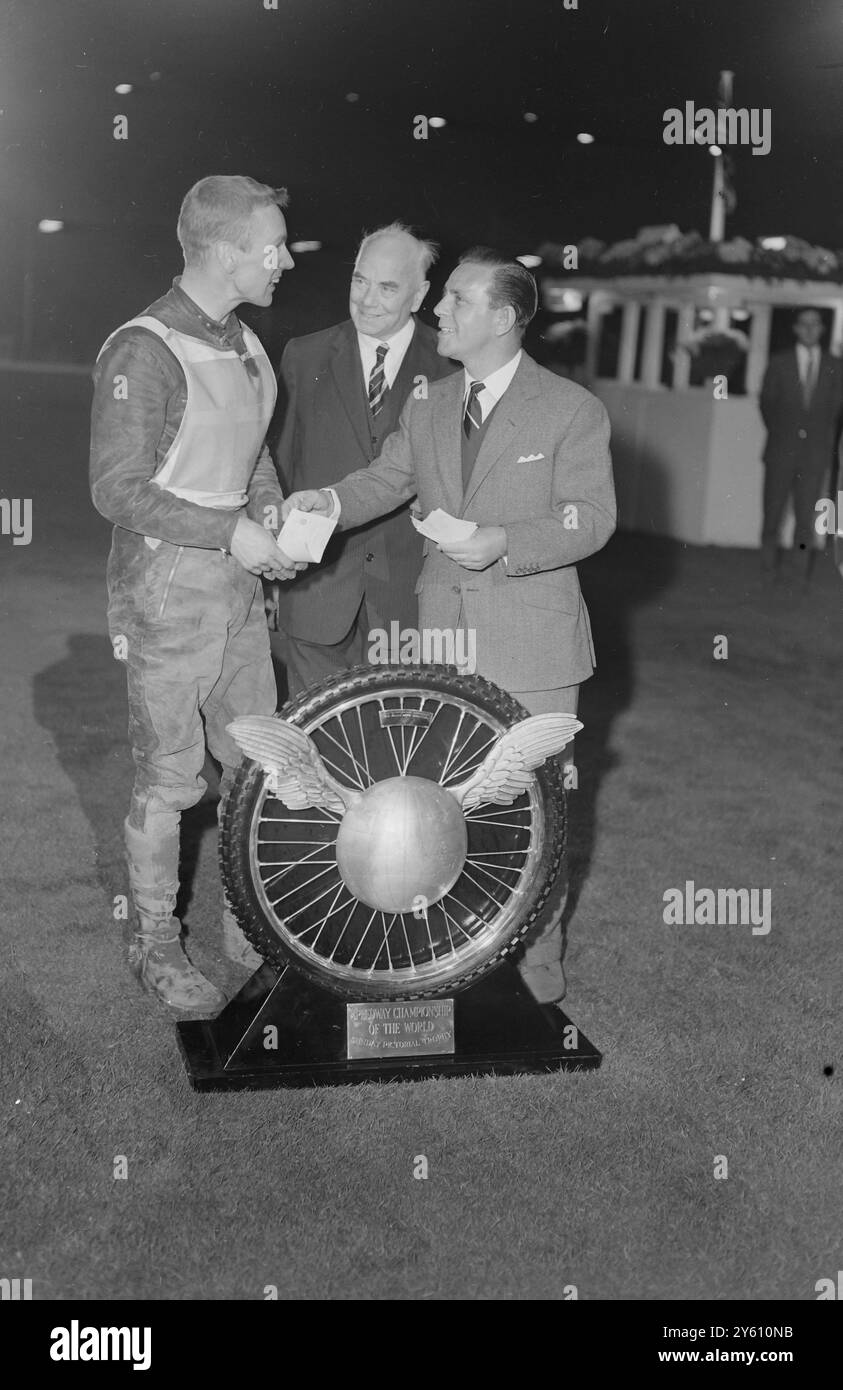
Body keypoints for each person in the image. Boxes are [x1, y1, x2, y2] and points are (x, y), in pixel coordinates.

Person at [282, 246, 616, 1002]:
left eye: (458, 300)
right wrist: (328, 503)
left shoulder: (569, 409)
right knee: (447, 804)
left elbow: (589, 518)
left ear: (502, 317)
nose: (440, 311)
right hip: (442, 641)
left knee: (536, 803)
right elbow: (387, 477)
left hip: (533, 642)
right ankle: (455, 946)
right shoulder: (429, 400)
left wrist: (503, 542)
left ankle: (535, 951)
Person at [90, 175, 303, 1013]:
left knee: (257, 761)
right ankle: (155, 945)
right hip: (168, 590)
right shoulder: (142, 348)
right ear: (223, 252)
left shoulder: (249, 345)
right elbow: (117, 489)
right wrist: (227, 531)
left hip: (240, 589)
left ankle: (249, 928)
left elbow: (250, 460)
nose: (284, 260)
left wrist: (272, 517)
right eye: (272, 246)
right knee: (172, 776)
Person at [272, 223, 458, 695]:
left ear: (418, 296)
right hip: (316, 593)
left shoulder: (450, 368)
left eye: (388, 287)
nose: (367, 299)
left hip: (409, 602)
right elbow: (279, 468)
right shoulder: (303, 356)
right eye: (360, 280)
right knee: (315, 747)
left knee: (397, 750)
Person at [759, 307, 843, 582]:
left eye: (815, 324)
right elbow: (767, 405)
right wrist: (787, 433)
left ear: (821, 329)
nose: (809, 329)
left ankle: (800, 572)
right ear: (795, 328)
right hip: (781, 452)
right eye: (804, 324)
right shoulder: (779, 362)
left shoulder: (835, 366)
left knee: (805, 520)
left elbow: (835, 408)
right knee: (772, 513)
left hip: (815, 457)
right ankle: (768, 568)